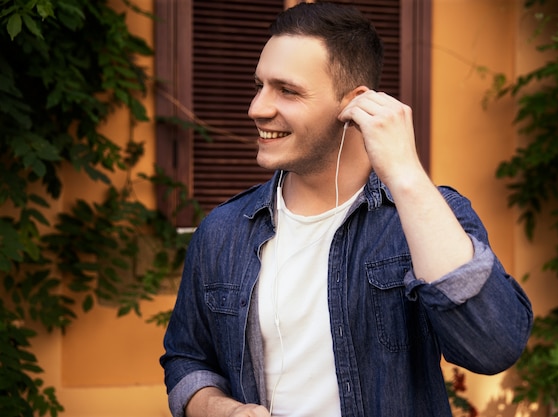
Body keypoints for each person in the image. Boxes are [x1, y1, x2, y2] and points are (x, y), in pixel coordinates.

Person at [160, 2, 533, 417]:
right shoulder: (222, 231)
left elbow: (493, 347)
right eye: (259, 85)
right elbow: (187, 359)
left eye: (287, 90)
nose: (257, 108)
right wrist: (220, 410)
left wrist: (406, 175)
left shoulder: (427, 216)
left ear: (354, 104)